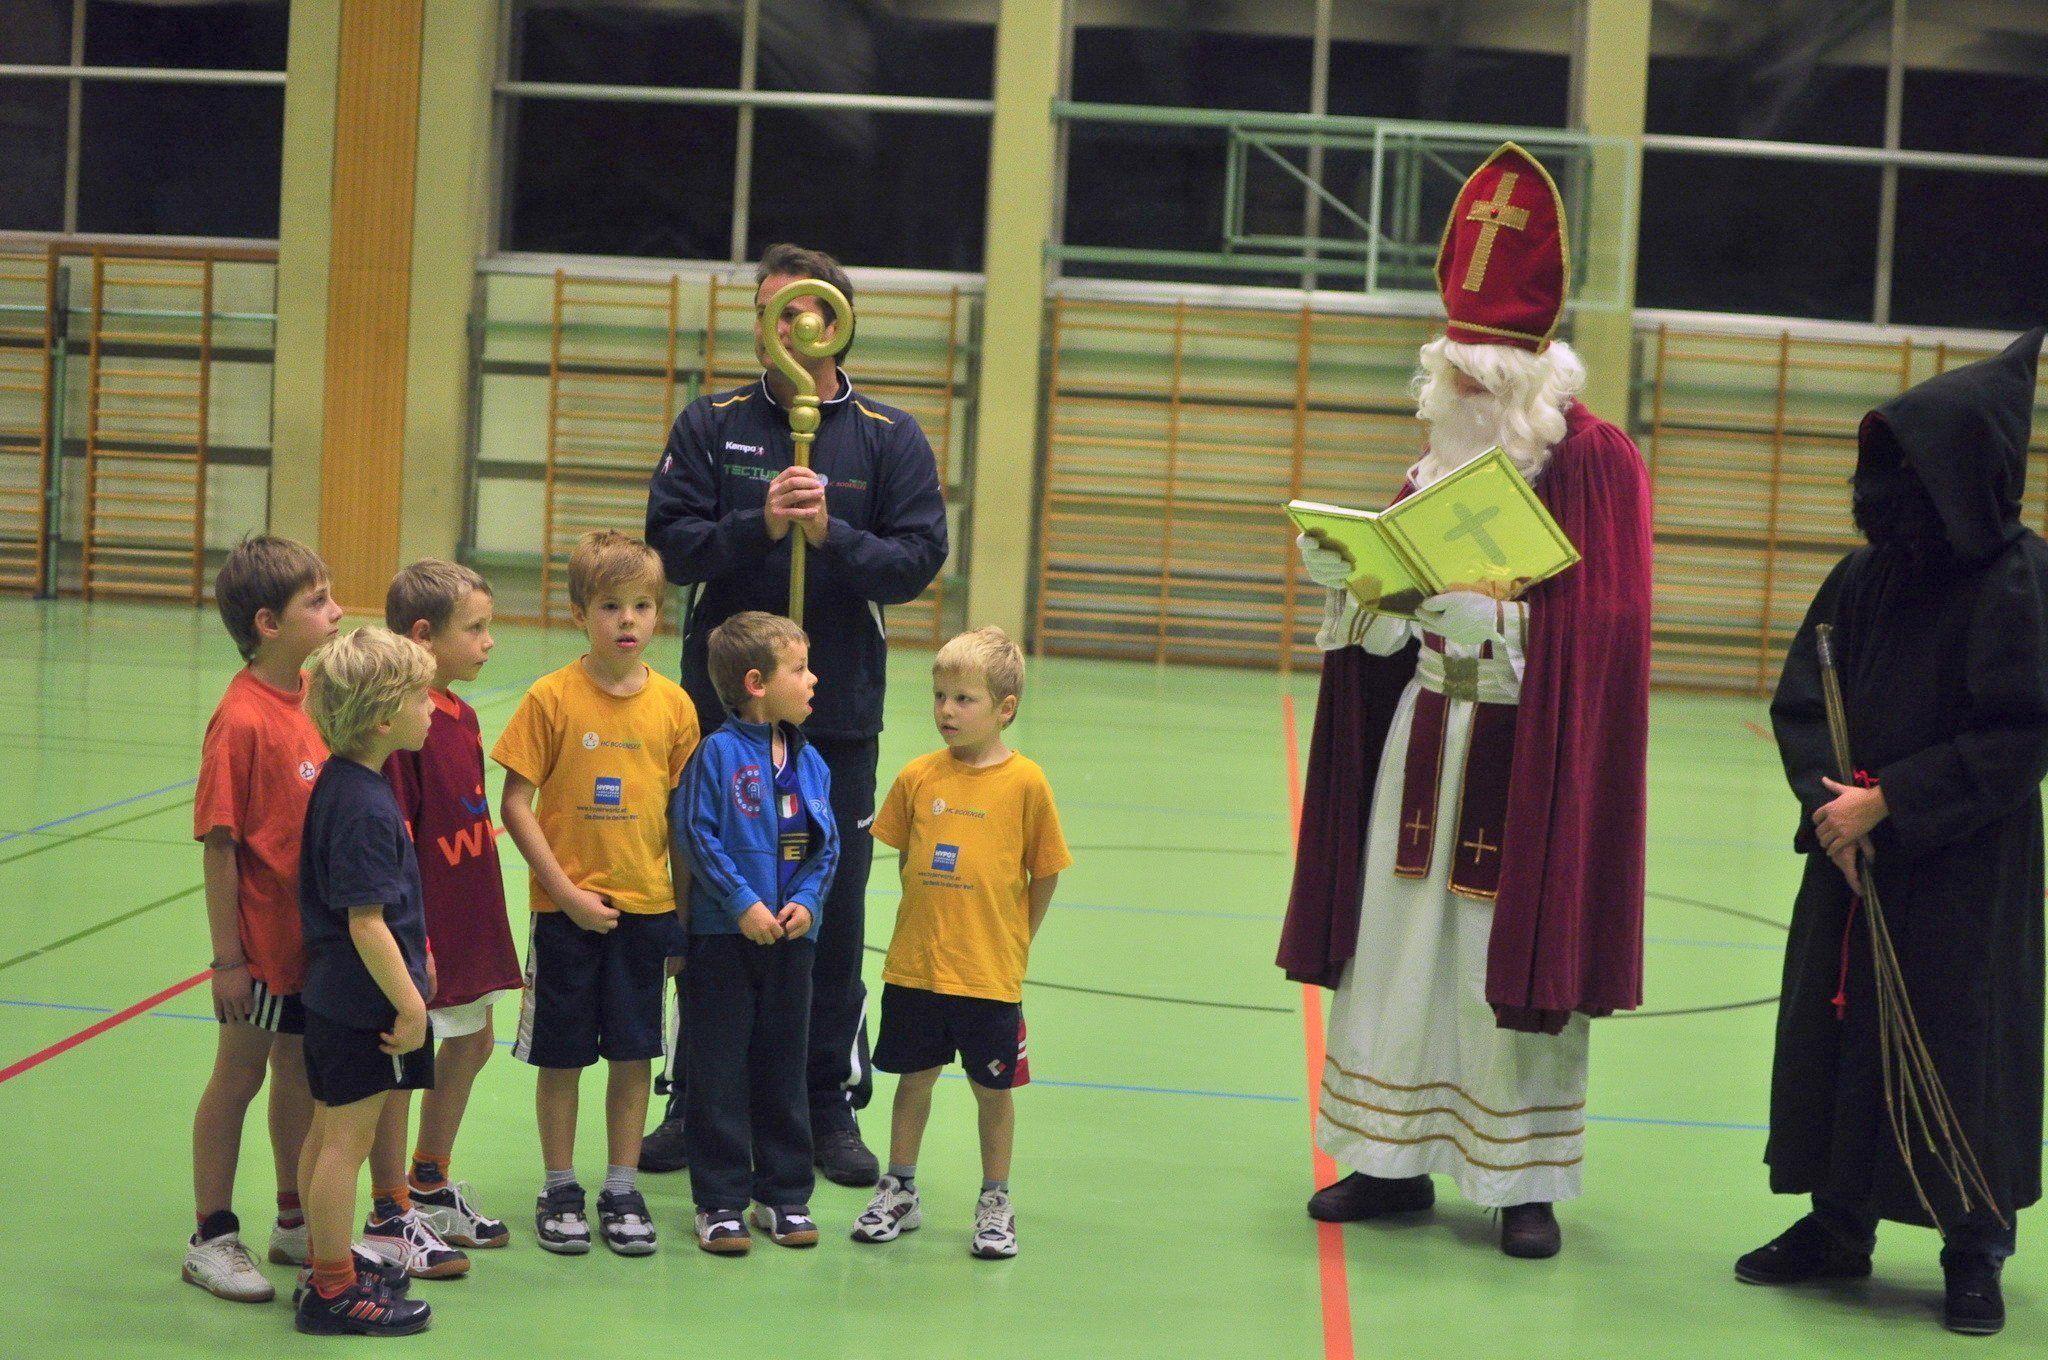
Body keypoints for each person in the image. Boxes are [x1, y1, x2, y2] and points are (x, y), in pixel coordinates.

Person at [1276, 143, 1653, 1260]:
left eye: (1487, 377)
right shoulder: (1430, 466)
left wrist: (1502, 627)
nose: (1468, 394)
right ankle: (1386, 1156)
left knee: (1505, 955)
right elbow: (1391, 618)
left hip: (1528, 759)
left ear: (1534, 376)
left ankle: (1521, 1180)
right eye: (1457, 376)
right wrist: (1357, 588)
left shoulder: (1594, 464)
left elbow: (1611, 634)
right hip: (1422, 740)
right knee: (1398, 945)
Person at [1739, 328, 2048, 1338]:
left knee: (1961, 1044)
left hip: (1962, 865)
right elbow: (1802, 700)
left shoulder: (2016, 578)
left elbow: (2020, 731)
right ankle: (1838, 1224)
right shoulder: (1861, 576)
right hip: (1850, 853)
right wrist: (1828, 807)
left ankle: (1973, 1245)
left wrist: (1893, 802)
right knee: (1838, 1034)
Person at [644, 243, 948, 1186]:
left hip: (835, 715)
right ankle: (698, 1099)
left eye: (802, 311)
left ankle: (823, 1104)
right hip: (720, 721)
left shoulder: (889, 436)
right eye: (769, 312)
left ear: (835, 322)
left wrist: (831, 535)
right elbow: (669, 546)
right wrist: (761, 525)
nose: (786, 328)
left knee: (830, 910)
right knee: (711, 908)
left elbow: (917, 560)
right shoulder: (712, 424)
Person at [492, 531, 699, 1256]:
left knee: (635, 1055)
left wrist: (681, 917)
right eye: (611, 606)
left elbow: (682, 822)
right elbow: (515, 804)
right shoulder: (550, 698)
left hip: (647, 913)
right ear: (580, 613)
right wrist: (566, 894)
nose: (627, 620)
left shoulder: (675, 707)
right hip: (566, 916)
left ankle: (621, 1186)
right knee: (562, 1057)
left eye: (642, 605)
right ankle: (559, 1186)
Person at [852, 627, 1070, 1260]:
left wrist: (1016, 937)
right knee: (912, 1082)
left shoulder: (1027, 783)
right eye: (940, 696)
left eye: (964, 699)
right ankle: (900, 1187)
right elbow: (906, 859)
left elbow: (1046, 872)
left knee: (992, 1092)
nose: (946, 710)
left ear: (1005, 709)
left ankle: (995, 1199)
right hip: (916, 968)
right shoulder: (918, 776)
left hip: (988, 975)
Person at [183, 536, 342, 1303]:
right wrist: (229, 960)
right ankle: (211, 1235)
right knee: (239, 1075)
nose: (335, 611)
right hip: (261, 947)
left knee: (299, 1070)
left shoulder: (315, 694)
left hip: (313, 942)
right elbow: (220, 847)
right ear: (269, 624)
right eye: (318, 601)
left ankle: (293, 1218)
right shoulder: (241, 720)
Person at [672, 611, 839, 1253]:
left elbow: (827, 846)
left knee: (783, 1065)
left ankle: (784, 1194)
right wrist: (741, 903)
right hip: (724, 940)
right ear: (756, 683)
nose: (813, 679)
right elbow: (697, 833)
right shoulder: (716, 754)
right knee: (718, 1069)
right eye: (800, 668)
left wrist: (807, 903)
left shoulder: (811, 761)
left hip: (791, 943)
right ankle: (719, 1200)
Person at [293, 627, 439, 1337]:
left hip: (334, 996)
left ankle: (321, 1260)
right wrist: (410, 1005)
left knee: (327, 1134)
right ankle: (333, 1290)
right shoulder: (366, 805)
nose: (432, 707)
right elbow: (366, 922)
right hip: (362, 1005)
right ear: (384, 719)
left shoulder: (345, 782)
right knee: (344, 1146)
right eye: (421, 697)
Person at [383, 561, 522, 1250]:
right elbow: (399, 841)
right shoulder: (401, 729)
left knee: (475, 1040)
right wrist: (419, 938)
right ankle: (391, 1205)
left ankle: (431, 1181)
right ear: (423, 636)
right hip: (426, 924)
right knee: (406, 1066)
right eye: (475, 629)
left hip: (470, 910)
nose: (488, 642)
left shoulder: (461, 716)